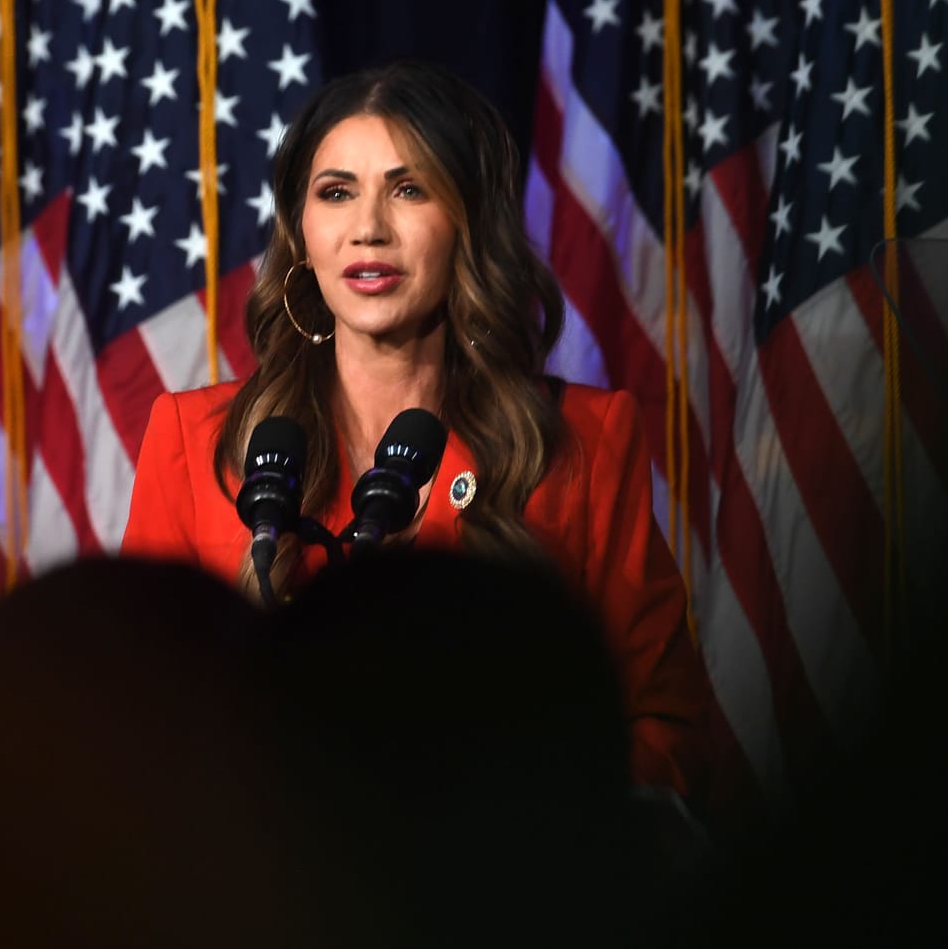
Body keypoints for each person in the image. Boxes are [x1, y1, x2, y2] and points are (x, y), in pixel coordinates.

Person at [122, 59, 712, 800]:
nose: (368, 229)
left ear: (467, 222)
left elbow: (668, 729)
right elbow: (135, 716)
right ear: (300, 231)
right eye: (336, 193)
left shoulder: (587, 442)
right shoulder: (190, 439)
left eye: (409, 189)